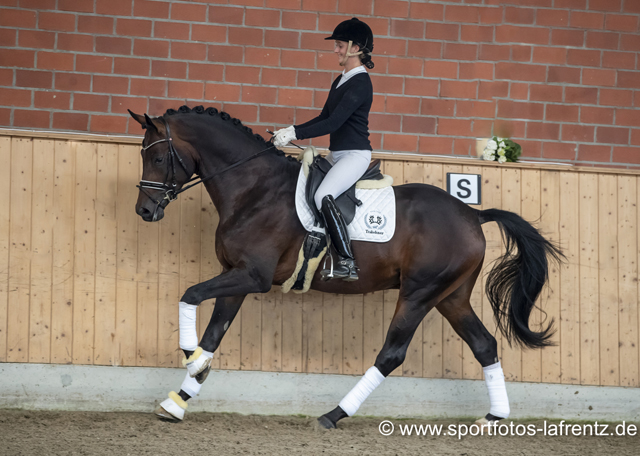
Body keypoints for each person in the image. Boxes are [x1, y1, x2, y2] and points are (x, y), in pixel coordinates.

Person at [273, 17, 375, 282]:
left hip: (355, 155)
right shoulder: (341, 80)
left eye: (340, 45)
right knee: (303, 186)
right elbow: (323, 117)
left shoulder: (361, 82)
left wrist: (296, 133)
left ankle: (348, 261)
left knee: (323, 195)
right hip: (337, 154)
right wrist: (291, 129)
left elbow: (334, 122)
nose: (336, 50)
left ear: (355, 48)